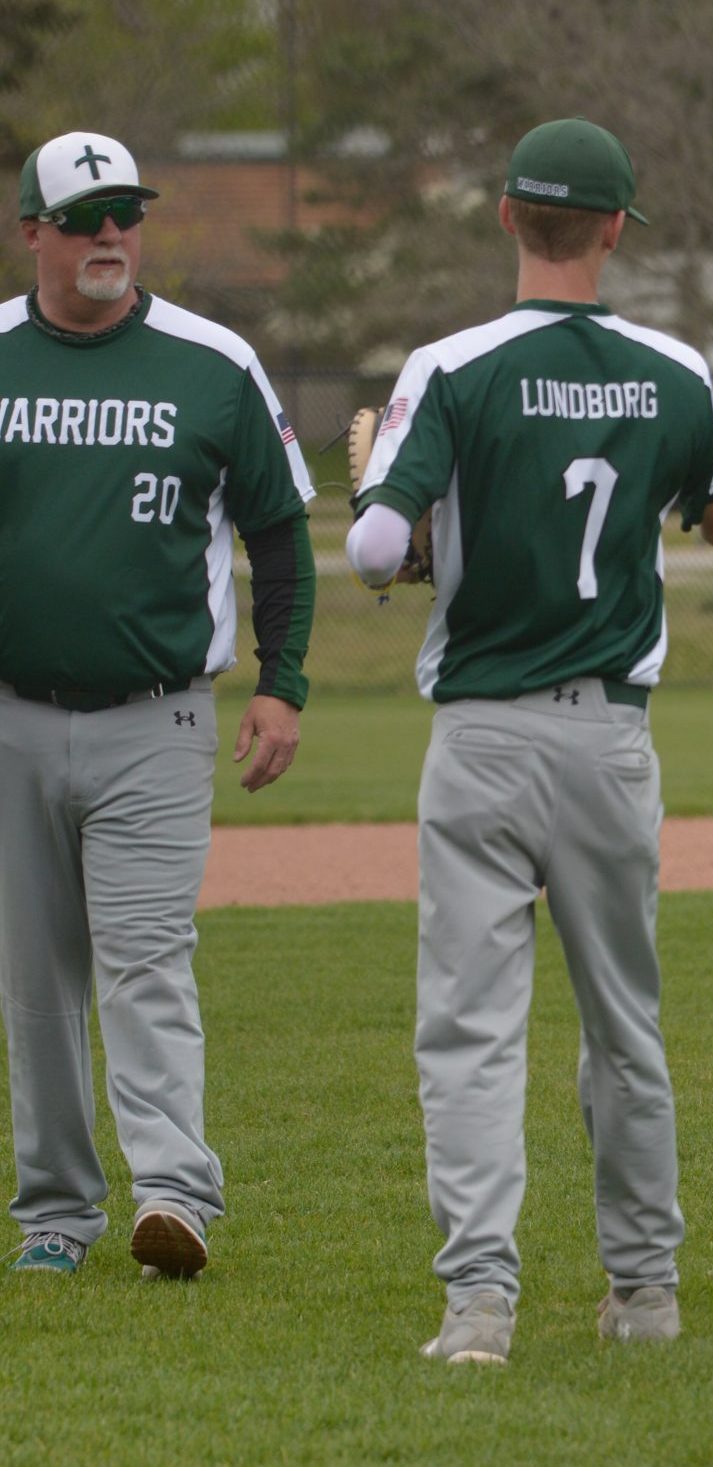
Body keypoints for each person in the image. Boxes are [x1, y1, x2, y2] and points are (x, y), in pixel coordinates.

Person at [347, 117, 713, 1364]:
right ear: (613, 229)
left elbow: (378, 550)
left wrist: (382, 514)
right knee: (623, 1023)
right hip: (609, 740)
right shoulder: (666, 367)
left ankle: (479, 1305)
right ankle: (645, 1293)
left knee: (469, 1030)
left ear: (506, 217)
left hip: (484, 738)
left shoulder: (448, 366)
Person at [0, 132, 316, 1279]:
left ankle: (174, 1194)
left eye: (125, 214)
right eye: (83, 218)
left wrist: (281, 684)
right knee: (35, 979)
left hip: (158, 716)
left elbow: (280, 535)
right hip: (13, 714)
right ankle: (55, 1214)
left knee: (144, 957)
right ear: (32, 229)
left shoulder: (211, 359)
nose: (109, 237)